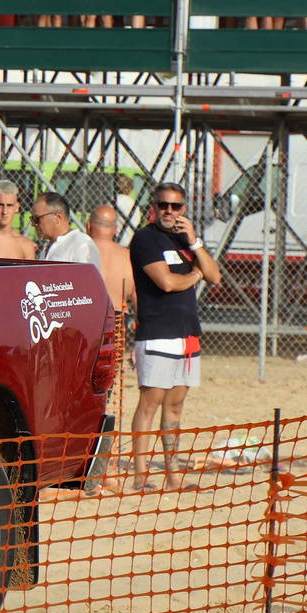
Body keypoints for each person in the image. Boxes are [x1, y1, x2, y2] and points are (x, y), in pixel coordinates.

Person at [128, 181, 221, 492]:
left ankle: (173, 475)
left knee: (176, 407)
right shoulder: (145, 238)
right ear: (154, 207)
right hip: (157, 333)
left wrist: (194, 243)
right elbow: (167, 282)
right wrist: (195, 274)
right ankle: (141, 476)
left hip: (187, 335)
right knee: (150, 404)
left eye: (175, 206)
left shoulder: (185, 239)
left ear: (184, 209)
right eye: (163, 205)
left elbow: (216, 275)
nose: (169, 211)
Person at [87, 205, 135, 312]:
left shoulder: (78, 251)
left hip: (86, 317)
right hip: (117, 319)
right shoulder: (129, 257)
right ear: (115, 230)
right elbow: (139, 300)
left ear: (89, 226)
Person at [33, 192, 100, 266]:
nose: (33, 224)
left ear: (58, 216)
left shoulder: (81, 244)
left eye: (37, 219)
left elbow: (88, 277)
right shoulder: (47, 248)